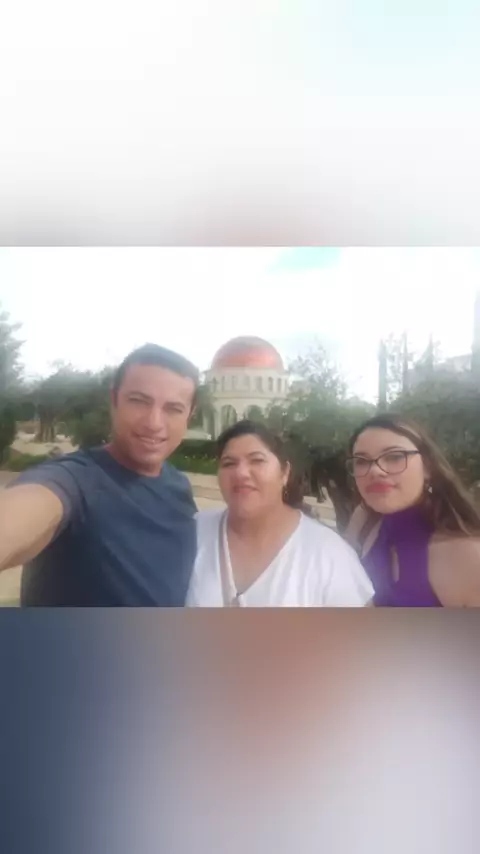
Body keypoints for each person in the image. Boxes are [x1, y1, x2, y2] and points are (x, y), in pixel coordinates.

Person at [0, 344, 199, 606]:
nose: (154, 423)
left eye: (173, 409)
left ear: (189, 415)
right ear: (114, 400)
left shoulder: (179, 487)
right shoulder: (75, 480)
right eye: (139, 401)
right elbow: (31, 507)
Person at [186, 420, 374, 607]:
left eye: (257, 460)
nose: (241, 473)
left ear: (284, 473)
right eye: (229, 463)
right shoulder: (193, 532)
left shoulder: (330, 554)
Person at [345, 414, 480, 607]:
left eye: (394, 457)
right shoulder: (364, 521)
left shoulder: (468, 556)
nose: (375, 470)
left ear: (428, 467)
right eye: (361, 461)